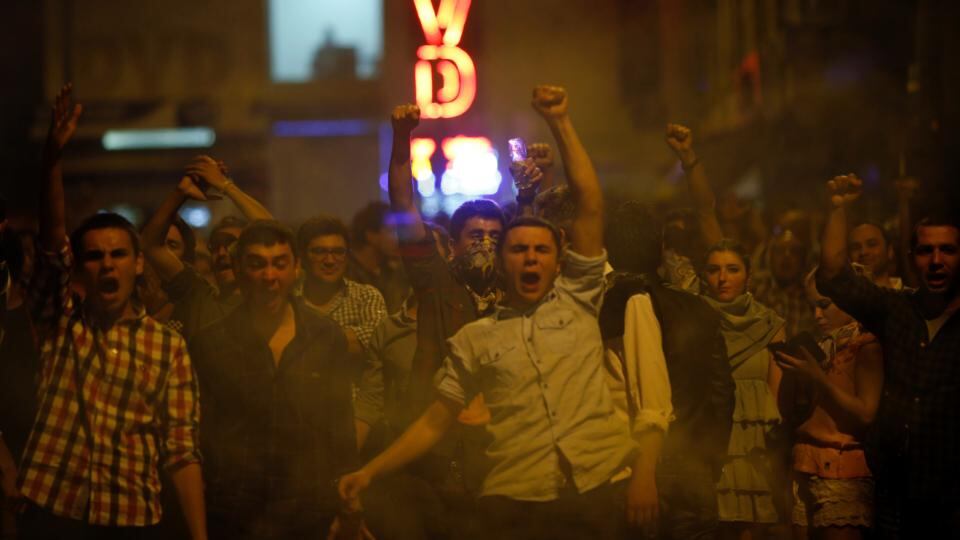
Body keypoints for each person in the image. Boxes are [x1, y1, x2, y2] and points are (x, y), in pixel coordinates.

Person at [340, 84, 635, 539]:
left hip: (558, 479)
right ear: (451, 247)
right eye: (473, 236)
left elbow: (584, 211)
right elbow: (402, 202)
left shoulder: (553, 297)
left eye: (494, 238)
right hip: (457, 472)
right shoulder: (441, 289)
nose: (485, 246)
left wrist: (557, 131)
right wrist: (402, 140)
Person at [17, 84, 206, 539]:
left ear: (139, 263)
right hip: (53, 512)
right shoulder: (61, 321)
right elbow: (51, 242)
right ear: (81, 267)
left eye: (119, 255)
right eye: (95, 256)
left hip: (131, 518)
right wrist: (52, 160)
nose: (107, 265)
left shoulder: (168, 346)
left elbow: (181, 451)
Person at [188, 220, 357, 540]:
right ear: (238, 270)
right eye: (257, 265)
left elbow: (340, 427)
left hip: (311, 510)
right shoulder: (211, 343)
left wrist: (348, 507)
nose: (269, 277)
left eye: (279, 264)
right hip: (236, 512)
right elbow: (201, 434)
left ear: (296, 269)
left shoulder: (325, 336)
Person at [816, 173, 960, 538]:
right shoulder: (896, 309)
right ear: (912, 258)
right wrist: (837, 209)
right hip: (894, 492)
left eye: (948, 250)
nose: (937, 260)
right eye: (927, 251)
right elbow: (834, 275)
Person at [599, 200, 735, 539]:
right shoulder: (699, 310)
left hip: (635, 470)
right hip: (692, 466)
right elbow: (722, 395)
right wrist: (710, 460)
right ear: (661, 249)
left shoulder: (610, 309)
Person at [773, 270, 882, 539]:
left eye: (824, 305)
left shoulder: (866, 346)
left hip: (842, 467)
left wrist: (818, 378)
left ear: (851, 300)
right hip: (806, 460)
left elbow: (866, 413)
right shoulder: (825, 346)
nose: (817, 316)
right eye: (813, 307)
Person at [141, 156, 273, 340]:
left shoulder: (270, 296)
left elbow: (274, 234)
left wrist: (226, 186)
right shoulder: (199, 298)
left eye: (230, 244)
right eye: (215, 246)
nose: (221, 253)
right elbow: (150, 245)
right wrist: (180, 193)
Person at [297, 215, 387, 360]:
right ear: (302, 256)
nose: (330, 261)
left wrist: (296, 340)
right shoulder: (290, 297)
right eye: (320, 252)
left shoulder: (366, 298)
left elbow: (375, 342)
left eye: (338, 252)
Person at [348, 201, 410, 313]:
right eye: (392, 231)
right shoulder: (346, 274)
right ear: (371, 236)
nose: (399, 239)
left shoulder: (391, 271)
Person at [848, 220, 902, 289]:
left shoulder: (911, 297)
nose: (863, 252)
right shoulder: (840, 298)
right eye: (855, 247)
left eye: (872, 244)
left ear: (889, 251)